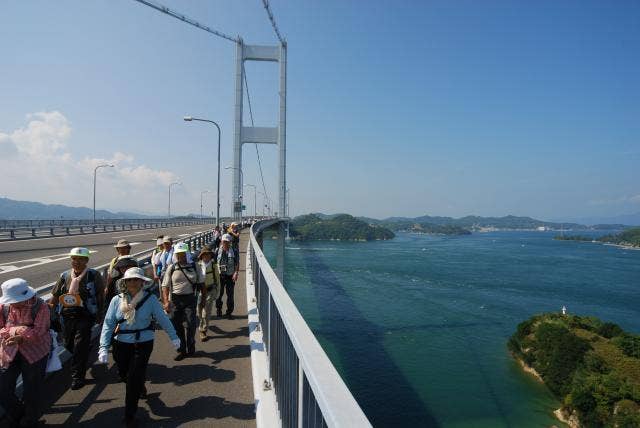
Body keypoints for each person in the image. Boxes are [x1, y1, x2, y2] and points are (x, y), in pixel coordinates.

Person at [98, 268, 180, 427]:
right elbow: (108, 324)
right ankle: (139, 384)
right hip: (121, 342)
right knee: (124, 374)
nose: (133, 282)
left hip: (143, 343)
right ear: (125, 283)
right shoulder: (116, 300)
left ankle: (129, 415)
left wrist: (174, 336)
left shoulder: (150, 300)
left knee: (133, 380)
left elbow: (162, 319)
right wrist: (103, 347)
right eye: (129, 280)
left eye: (136, 279)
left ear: (143, 282)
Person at [49, 247, 104, 390]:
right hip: (67, 314)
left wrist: (100, 313)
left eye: (80, 259)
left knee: (79, 346)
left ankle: (77, 377)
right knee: (68, 344)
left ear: (86, 260)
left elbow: (99, 295)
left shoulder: (94, 275)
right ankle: (85, 350)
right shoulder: (65, 275)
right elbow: (56, 294)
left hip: (86, 314)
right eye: (74, 259)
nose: (77, 262)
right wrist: (49, 307)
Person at [0, 278, 51, 428]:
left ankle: (30, 420)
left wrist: (17, 334)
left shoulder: (40, 307)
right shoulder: (4, 307)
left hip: (36, 353)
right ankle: (18, 414)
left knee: (32, 390)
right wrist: (20, 331)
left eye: (15, 300)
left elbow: (39, 333)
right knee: (3, 387)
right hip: (9, 351)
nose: (12, 303)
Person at [161, 243, 203, 360]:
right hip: (175, 300)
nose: (181, 256)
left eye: (183, 254)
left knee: (190, 324)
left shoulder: (195, 266)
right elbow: (165, 286)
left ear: (187, 253)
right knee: (176, 326)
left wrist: (203, 300)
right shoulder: (172, 267)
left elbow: (201, 284)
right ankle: (182, 350)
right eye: (178, 254)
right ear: (175, 255)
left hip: (190, 299)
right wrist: (166, 301)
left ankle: (191, 345)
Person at [197, 247, 219, 342]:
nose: (207, 256)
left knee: (206, 311)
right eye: (205, 254)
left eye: (208, 254)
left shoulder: (214, 266)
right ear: (202, 256)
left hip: (210, 291)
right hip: (199, 292)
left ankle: (203, 330)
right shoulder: (197, 265)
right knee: (198, 311)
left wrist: (217, 292)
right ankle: (202, 324)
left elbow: (218, 280)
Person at [216, 234, 239, 320]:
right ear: (221, 242)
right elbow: (214, 262)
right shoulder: (217, 250)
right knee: (219, 295)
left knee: (230, 295)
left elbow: (237, 262)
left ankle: (229, 312)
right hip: (220, 276)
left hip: (230, 275)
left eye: (227, 242)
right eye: (224, 241)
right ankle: (219, 310)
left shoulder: (234, 251)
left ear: (230, 242)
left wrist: (236, 272)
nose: (225, 243)